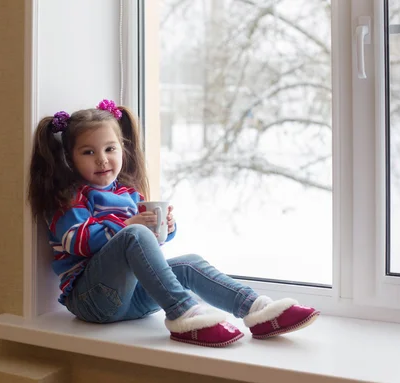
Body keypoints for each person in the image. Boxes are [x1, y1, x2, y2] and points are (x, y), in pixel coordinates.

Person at [27, 99, 320, 347]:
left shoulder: (128, 194)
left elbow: (146, 247)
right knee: (135, 235)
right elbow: (76, 240)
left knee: (189, 264)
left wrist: (163, 226)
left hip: (133, 300)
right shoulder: (70, 197)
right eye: (88, 152)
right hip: (92, 300)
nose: (102, 160)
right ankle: (184, 315)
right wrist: (131, 226)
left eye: (110, 149)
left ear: (123, 149)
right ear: (70, 157)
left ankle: (258, 310)